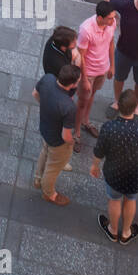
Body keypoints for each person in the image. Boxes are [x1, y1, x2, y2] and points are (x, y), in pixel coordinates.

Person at [91, 87, 138, 245]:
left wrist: (94, 166)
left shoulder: (109, 128)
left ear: (119, 107)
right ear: (135, 109)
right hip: (135, 177)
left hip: (114, 174)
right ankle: (126, 233)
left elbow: (99, 152)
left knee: (114, 201)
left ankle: (113, 230)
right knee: (130, 200)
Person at [32, 62, 81, 205]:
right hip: (58, 142)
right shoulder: (68, 106)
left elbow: (35, 93)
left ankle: (38, 178)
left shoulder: (47, 79)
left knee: (45, 151)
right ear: (71, 84)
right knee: (53, 168)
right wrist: (72, 141)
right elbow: (66, 136)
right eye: (77, 81)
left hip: (45, 129)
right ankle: (49, 193)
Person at [74, 2, 117, 151]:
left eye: (113, 17)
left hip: (102, 69)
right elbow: (81, 56)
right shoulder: (86, 30)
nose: (113, 20)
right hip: (89, 72)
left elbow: (111, 43)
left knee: (92, 96)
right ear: (100, 17)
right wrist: (84, 79)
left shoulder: (111, 23)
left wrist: (112, 65)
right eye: (110, 18)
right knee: (81, 102)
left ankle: (86, 122)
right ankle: (76, 132)